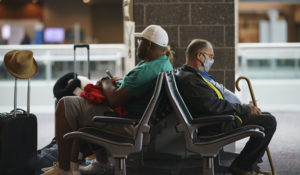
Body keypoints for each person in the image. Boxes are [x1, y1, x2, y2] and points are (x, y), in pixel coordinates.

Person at [42, 24, 174, 175]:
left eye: (140, 42)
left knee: (66, 105)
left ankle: (64, 169)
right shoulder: (162, 63)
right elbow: (136, 85)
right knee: (80, 105)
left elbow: (114, 100)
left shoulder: (148, 70)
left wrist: (106, 81)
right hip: (137, 119)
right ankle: (99, 163)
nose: (138, 45)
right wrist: (122, 81)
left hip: (127, 124)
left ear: (148, 44)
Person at [176, 39, 277, 175]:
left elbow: (212, 104)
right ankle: (243, 167)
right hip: (214, 124)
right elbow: (213, 106)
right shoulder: (191, 80)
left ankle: (249, 163)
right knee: (269, 122)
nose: (211, 60)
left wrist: (244, 109)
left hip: (215, 119)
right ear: (200, 56)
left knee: (265, 116)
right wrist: (245, 110)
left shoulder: (191, 76)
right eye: (210, 56)